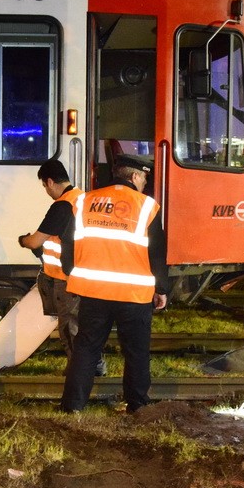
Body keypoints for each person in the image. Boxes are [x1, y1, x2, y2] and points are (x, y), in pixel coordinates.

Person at [59, 156, 170, 414]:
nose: (144, 183)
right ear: (134, 177)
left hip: (94, 292)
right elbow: (156, 252)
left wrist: (71, 272)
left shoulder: (85, 201)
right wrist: (161, 289)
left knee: (86, 348)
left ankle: (73, 406)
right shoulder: (146, 206)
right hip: (134, 294)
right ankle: (137, 404)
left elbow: (67, 241)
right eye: (144, 178)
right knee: (136, 352)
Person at [17, 159, 104, 375]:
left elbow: (35, 241)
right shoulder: (83, 199)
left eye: (45, 186)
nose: (47, 191)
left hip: (67, 278)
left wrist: (23, 240)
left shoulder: (63, 205)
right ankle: (94, 367)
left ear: (50, 182)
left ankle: (81, 372)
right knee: (84, 326)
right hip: (84, 273)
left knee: (70, 328)